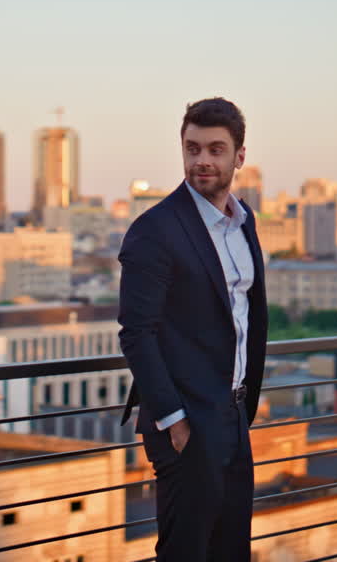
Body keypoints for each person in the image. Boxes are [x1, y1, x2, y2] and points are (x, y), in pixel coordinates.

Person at [118, 97, 269, 561]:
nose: (202, 160)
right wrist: (174, 422)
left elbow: (245, 316)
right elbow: (136, 333)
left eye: (216, 150)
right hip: (185, 422)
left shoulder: (244, 224)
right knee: (185, 552)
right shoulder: (155, 230)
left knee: (231, 551)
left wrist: (244, 407)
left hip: (234, 415)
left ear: (239, 156)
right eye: (192, 148)